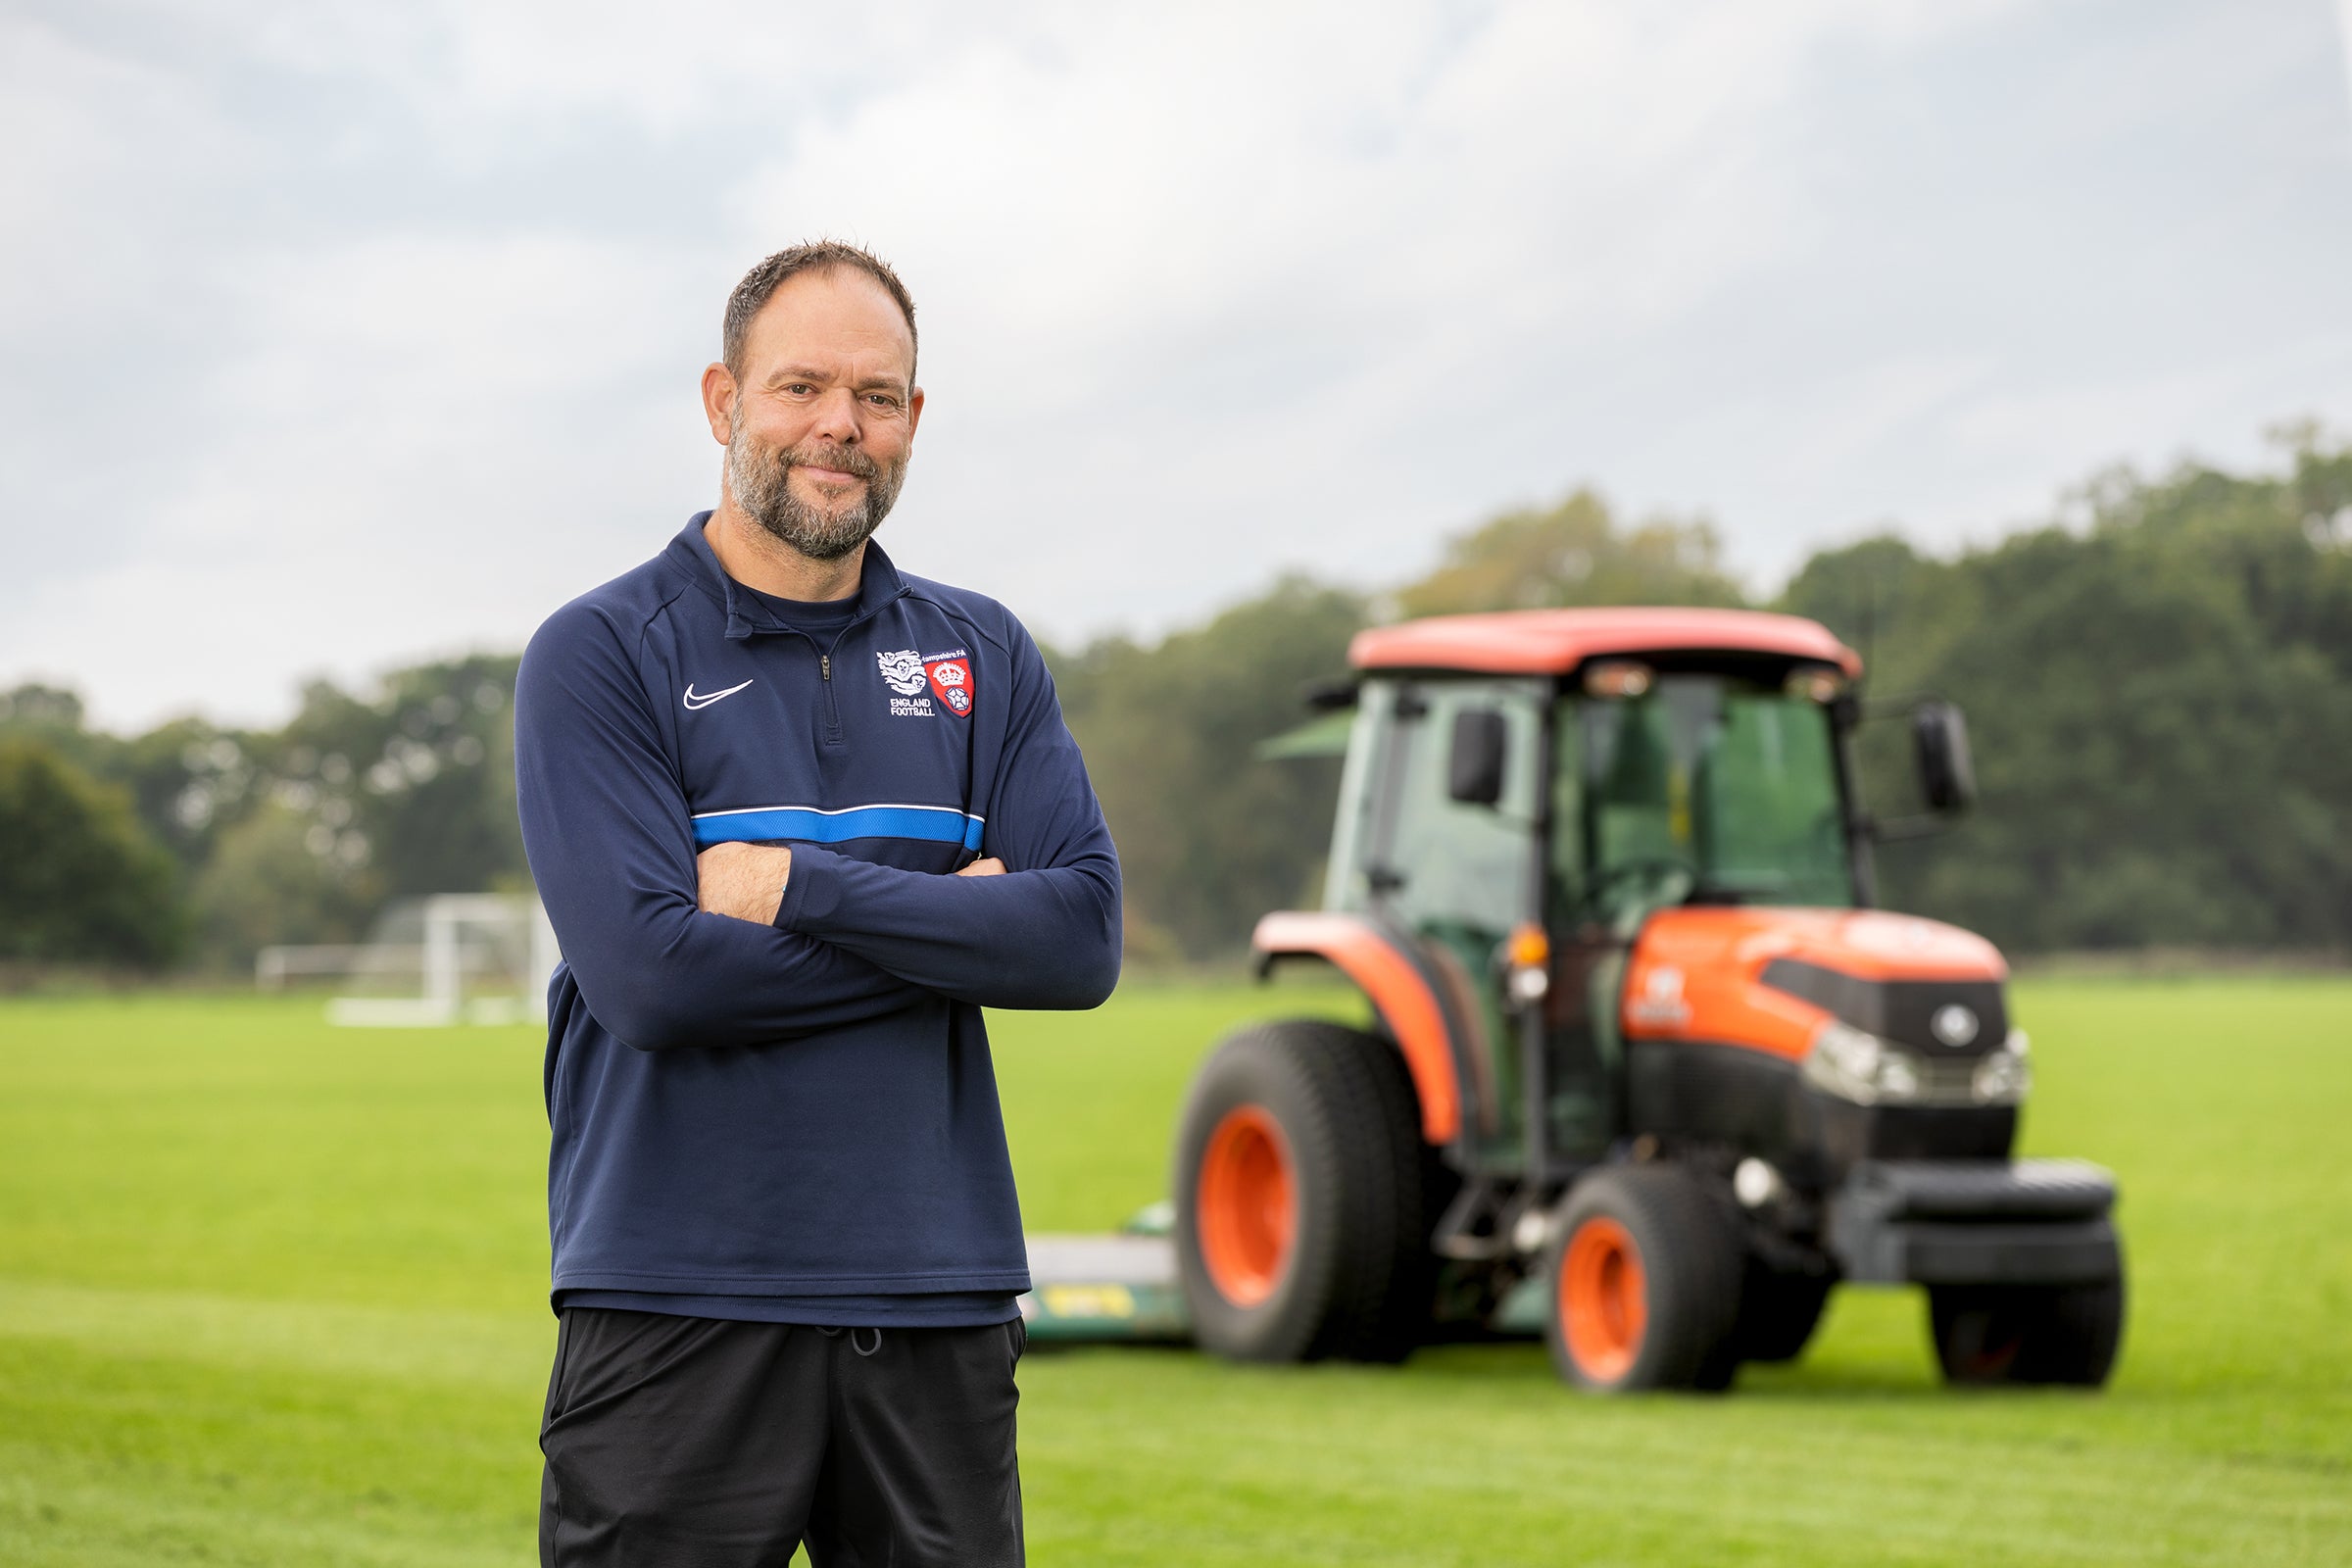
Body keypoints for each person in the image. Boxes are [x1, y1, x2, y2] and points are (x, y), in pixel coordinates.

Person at [514, 240, 1122, 1567]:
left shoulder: (984, 654)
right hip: (677, 1299)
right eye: (802, 387)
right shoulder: (602, 653)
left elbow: (1078, 942)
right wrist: (955, 934)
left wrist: (796, 887)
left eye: (880, 395)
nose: (841, 426)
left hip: (938, 1298)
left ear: (915, 421)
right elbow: (654, 982)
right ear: (725, 403)